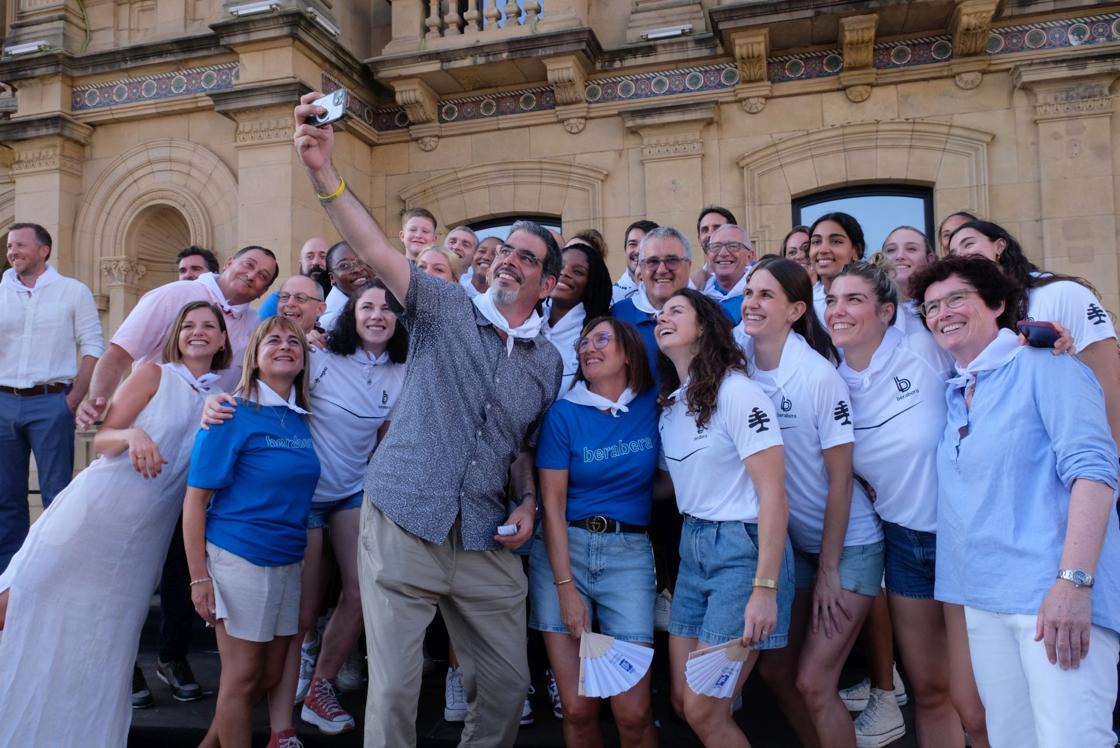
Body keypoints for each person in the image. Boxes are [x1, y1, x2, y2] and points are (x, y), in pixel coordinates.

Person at [295, 90, 564, 748]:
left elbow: (522, 448)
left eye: (529, 257)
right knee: (392, 690)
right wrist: (324, 173)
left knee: (504, 689)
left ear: (548, 285)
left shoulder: (549, 363)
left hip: (482, 538)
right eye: (506, 250)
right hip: (403, 519)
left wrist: (527, 503)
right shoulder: (443, 305)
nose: (511, 257)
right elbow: (374, 248)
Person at [909, 255, 1120, 748]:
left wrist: (1074, 584)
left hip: (1053, 597)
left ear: (999, 304)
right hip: (986, 600)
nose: (942, 313)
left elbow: (1094, 471)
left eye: (957, 298)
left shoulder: (1045, 364)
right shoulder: (957, 389)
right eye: (931, 306)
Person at [0, 301, 229, 746]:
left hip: (143, 541)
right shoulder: (153, 374)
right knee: (20, 597)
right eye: (189, 326)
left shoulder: (220, 398)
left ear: (223, 340)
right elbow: (103, 439)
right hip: (93, 515)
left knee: (104, 638)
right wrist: (132, 434)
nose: (198, 333)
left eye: (209, 327)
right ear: (176, 335)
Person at [205, 281, 408, 745]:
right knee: (303, 611)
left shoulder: (402, 370)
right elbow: (266, 390)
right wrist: (214, 402)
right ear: (350, 316)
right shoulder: (319, 357)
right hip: (303, 497)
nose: (377, 315)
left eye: (387, 308)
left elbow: (385, 437)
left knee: (363, 592)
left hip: (353, 491)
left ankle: (321, 686)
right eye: (367, 307)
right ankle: (280, 723)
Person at [825, 262, 965, 747]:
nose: (839, 311)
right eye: (832, 301)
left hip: (964, 538)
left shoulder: (924, 350)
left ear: (888, 311)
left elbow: (989, 363)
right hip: (905, 545)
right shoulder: (833, 383)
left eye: (854, 300)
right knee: (929, 690)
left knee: (974, 696)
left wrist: (1046, 337)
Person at [655, 288, 793, 748]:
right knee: (683, 701)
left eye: (676, 311)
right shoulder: (672, 407)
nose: (662, 317)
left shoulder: (739, 393)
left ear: (705, 327)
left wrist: (765, 589)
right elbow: (678, 485)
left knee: (705, 707)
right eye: (659, 312)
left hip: (742, 553)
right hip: (692, 552)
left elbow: (774, 492)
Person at [185, 316, 320, 748]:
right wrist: (199, 578)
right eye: (273, 340)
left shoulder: (299, 419)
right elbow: (194, 501)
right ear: (254, 357)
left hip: (288, 559)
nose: (285, 347)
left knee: (266, 675)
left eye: (294, 342)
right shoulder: (230, 412)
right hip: (240, 557)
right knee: (242, 680)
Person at [531, 317, 659, 747]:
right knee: (579, 709)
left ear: (628, 352)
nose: (589, 347)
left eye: (602, 339)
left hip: (629, 554)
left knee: (634, 713)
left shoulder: (653, 403)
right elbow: (551, 504)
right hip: (566, 552)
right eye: (584, 342)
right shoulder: (564, 413)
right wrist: (566, 587)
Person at [947, 219, 1120, 449]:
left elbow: (1109, 380)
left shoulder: (1061, 293)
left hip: (1080, 453)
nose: (961, 255)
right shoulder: (974, 318)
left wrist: (1113, 461)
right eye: (952, 253)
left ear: (999, 246)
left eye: (968, 244)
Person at [77, 245, 279, 429]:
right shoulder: (174, 294)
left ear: (264, 291)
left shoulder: (255, 325)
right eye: (248, 265)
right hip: (145, 427)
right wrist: (97, 399)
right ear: (229, 263)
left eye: (262, 275)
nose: (251, 275)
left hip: (203, 436)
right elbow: (119, 353)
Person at [1, 222, 104, 574]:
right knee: (5, 494)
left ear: (44, 250)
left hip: (52, 401)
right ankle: (9, 575)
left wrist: (73, 399)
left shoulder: (73, 291)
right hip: (2, 401)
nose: (12, 251)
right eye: (10, 246)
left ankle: (56, 570)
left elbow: (92, 347)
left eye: (20, 245)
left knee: (57, 492)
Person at [612, 226, 694, 381]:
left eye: (672, 260)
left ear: (688, 265)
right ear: (641, 268)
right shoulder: (618, 316)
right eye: (652, 261)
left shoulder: (709, 314)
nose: (662, 269)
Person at [881, 226, 954, 376]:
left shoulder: (949, 307)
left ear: (930, 259)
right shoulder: (873, 313)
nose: (899, 256)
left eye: (911, 249)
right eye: (890, 250)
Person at [543, 241, 613, 396]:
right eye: (560, 266)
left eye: (578, 272)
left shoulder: (597, 336)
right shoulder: (528, 322)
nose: (564, 273)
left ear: (591, 285)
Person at [809, 212, 865, 327]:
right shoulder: (806, 303)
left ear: (856, 250)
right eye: (816, 242)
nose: (823, 250)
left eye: (836, 241)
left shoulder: (875, 298)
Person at [260, 237, 332, 319]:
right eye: (309, 257)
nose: (316, 262)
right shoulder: (279, 300)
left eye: (323, 256)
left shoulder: (344, 297)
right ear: (301, 262)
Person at [701, 223, 754, 322]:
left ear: (749, 256)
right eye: (716, 246)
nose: (723, 253)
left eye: (733, 246)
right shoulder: (700, 292)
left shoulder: (762, 290)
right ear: (708, 256)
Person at [318, 241, 372, 332]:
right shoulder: (333, 322)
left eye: (362, 261)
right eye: (345, 266)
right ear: (332, 278)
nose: (358, 269)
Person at [690, 206, 738, 290]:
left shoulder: (753, 277)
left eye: (717, 228)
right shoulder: (692, 285)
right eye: (705, 230)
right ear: (699, 239)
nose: (710, 234)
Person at [612, 220, 658, 305]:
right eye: (632, 244)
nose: (638, 251)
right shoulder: (610, 297)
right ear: (625, 250)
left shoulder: (670, 294)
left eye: (646, 244)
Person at [274, 275, 328, 347]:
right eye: (284, 297)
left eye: (300, 298)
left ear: (320, 309)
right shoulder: (262, 342)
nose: (290, 303)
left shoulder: (330, 348)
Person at [445, 225, 479, 291]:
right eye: (452, 242)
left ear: (474, 256)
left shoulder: (475, 294)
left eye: (465, 245)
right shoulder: (424, 276)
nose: (456, 247)